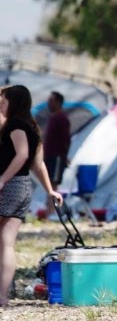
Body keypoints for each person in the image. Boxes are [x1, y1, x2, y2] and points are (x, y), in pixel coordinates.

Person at [0, 85, 63, 305]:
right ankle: (2, 296)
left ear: (14, 103)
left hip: (10, 187)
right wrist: (49, 190)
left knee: (6, 243)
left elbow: (22, 155)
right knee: (6, 243)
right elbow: (38, 165)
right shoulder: (32, 128)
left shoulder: (14, 126)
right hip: (24, 187)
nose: (1, 104)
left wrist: (2, 179)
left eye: (4, 101)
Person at [43, 91, 70, 217]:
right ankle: (49, 210)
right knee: (48, 183)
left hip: (57, 156)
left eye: (51, 101)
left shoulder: (62, 118)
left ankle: (53, 211)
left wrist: (64, 156)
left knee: (54, 183)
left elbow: (66, 139)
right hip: (49, 156)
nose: (49, 103)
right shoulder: (53, 118)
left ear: (58, 102)